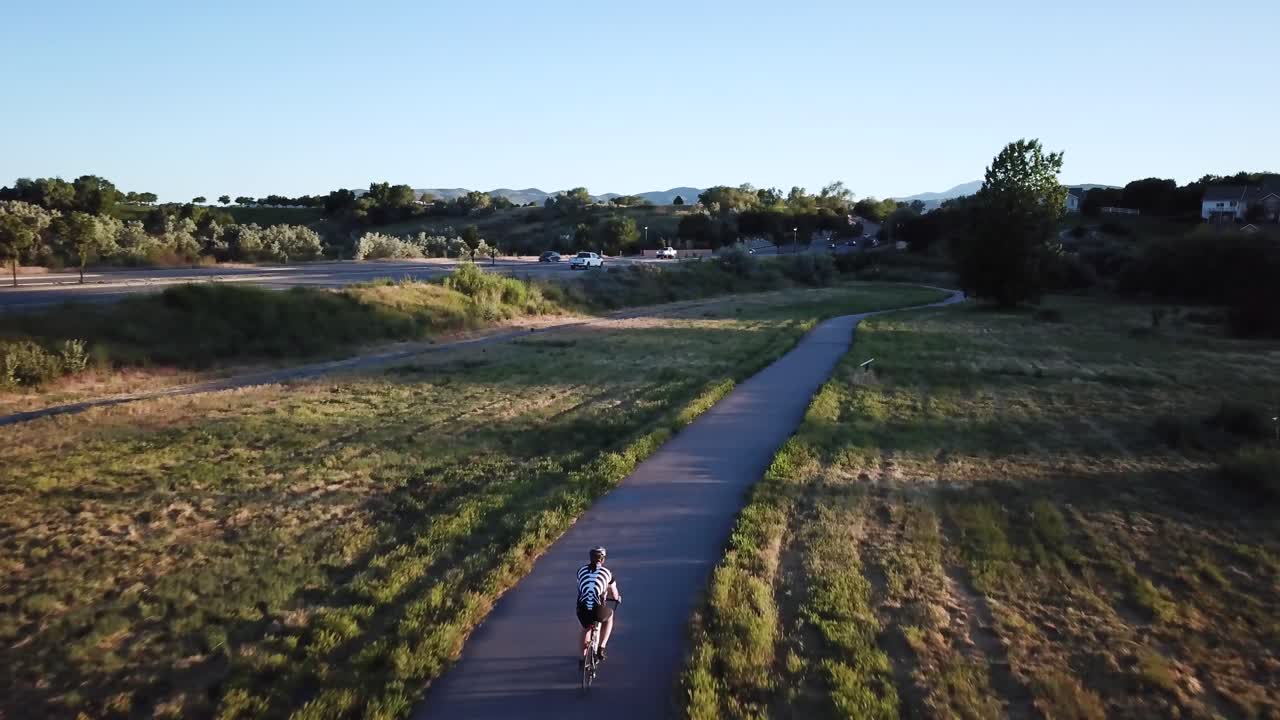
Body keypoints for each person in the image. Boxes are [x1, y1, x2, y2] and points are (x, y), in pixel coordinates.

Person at [576, 546, 621, 664]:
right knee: (609, 616)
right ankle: (601, 647)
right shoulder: (607, 573)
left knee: (586, 628)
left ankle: (582, 658)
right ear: (603, 559)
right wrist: (617, 598)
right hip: (597, 609)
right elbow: (614, 593)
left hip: (582, 608)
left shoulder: (580, 571)